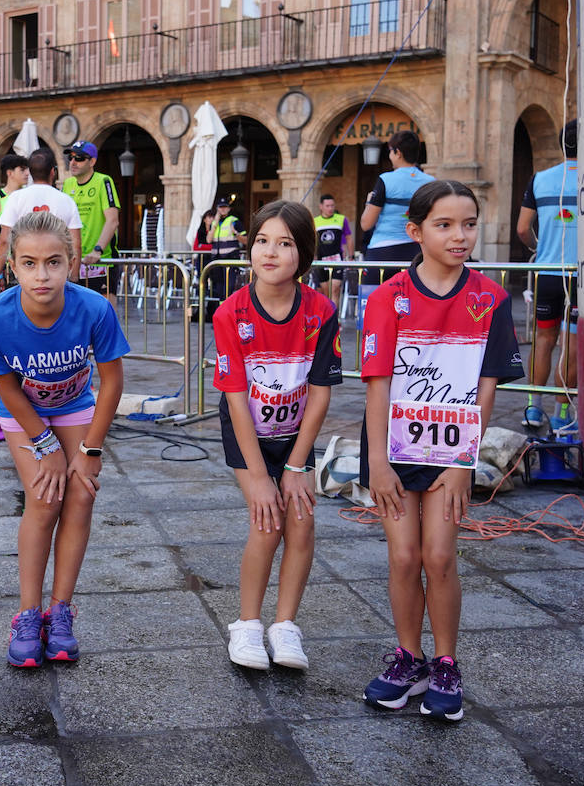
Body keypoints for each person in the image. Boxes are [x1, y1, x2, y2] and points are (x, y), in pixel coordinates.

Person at [359, 180, 524, 723]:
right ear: (416, 231)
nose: (460, 235)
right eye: (445, 224)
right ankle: (410, 658)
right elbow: (378, 384)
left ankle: (446, 662)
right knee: (403, 557)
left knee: (440, 557)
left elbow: (487, 388)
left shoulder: (490, 298)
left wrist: (463, 461)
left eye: (469, 224)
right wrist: (379, 462)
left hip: (452, 448)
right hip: (395, 447)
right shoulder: (387, 298)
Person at [0, 210, 130, 667]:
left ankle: (60, 611)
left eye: (54, 262)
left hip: (75, 404)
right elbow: (3, 386)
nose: (42, 275)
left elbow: (112, 383)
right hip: (23, 411)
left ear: (72, 262)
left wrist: (89, 450)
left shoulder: (95, 309)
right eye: (29, 263)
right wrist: (46, 448)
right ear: (11, 264)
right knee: (44, 498)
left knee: (81, 494)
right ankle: (27, 613)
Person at [214, 200, 342, 671]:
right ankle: (246, 626)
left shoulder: (320, 311)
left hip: (296, 435)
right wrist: (261, 476)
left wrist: (295, 466)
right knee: (266, 521)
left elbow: (321, 394)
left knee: (303, 524)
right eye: (262, 241)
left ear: (303, 255)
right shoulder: (231, 313)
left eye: (285, 243)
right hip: (247, 431)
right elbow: (234, 401)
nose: (270, 252)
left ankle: (284, 627)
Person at [517, 119, 579, 435]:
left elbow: (522, 229)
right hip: (582, 277)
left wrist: (540, 249)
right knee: (572, 343)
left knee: (543, 341)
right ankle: (561, 413)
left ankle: (533, 407)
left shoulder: (540, 179)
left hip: (547, 273)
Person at [358, 130, 434, 322]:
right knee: (414, 316)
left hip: (382, 253)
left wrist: (369, 203)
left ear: (397, 152)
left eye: (390, 151)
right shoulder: (430, 183)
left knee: (374, 315)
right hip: (416, 253)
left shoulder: (386, 179)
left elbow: (366, 224)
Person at [0, 148, 84, 297]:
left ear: (30, 172)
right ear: (53, 172)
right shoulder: (66, 200)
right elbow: (76, 243)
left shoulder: (16, 198)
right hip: (55, 271)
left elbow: (4, 240)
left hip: (24, 270)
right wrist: (73, 277)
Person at [61, 141, 120, 303]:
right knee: (74, 311)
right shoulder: (67, 184)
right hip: (73, 261)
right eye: (71, 158)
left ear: (92, 161)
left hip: (101, 261)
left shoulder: (103, 181)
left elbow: (112, 220)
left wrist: (97, 250)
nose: (73, 162)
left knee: (104, 312)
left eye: (79, 158)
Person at [0, 153, 30, 295]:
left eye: (27, 169)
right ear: (10, 173)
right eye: (22, 170)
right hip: (9, 263)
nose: (27, 173)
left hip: (29, 258)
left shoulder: (28, 195)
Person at [311, 193, 353, 303]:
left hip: (337, 259)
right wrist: (313, 255)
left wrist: (351, 256)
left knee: (335, 288)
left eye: (332, 206)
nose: (330, 208)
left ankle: (334, 318)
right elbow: (312, 241)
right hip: (321, 260)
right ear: (321, 206)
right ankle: (327, 317)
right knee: (325, 291)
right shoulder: (315, 221)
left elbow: (348, 238)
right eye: (327, 206)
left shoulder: (341, 219)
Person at [207, 197, 247, 309]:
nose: (223, 209)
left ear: (229, 209)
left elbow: (246, 240)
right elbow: (209, 240)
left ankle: (227, 311)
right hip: (216, 260)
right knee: (218, 288)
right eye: (221, 207)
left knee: (228, 287)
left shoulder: (234, 221)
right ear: (217, 208)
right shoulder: (214, 223)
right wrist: (214, 224)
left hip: (230, 258)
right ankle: (220, 311)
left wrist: (235, 234)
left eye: (225, 207)